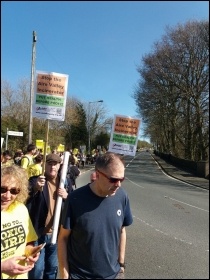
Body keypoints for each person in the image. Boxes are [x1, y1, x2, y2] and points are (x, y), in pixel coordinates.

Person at [58, 152, 133, 279]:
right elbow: (63, 238)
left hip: (113, 275)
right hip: (80, 276)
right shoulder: (75, 199)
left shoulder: (122, 196)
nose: (118, 184)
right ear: (97, 175)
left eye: (121, 179)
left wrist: (121, 264)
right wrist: (64, 275)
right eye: (113, 179)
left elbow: (121, 230)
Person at [27, 153, 72, 279]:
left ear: (59, 166)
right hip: (38, 233)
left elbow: (74, 202)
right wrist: (35, 187)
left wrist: (67, 196)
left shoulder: (65, 182)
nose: (52, 167)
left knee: (51, 269)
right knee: (37, 269)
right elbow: (25, 197)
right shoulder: (36, 180)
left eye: (55, 164)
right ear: (44, 165)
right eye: (50, 163)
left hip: (57, 234)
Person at [1, 165, 40, 279]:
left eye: (14, 191)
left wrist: (31, 252)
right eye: (2, 189)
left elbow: (28, 241)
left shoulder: (21, 208)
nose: (7, 196)